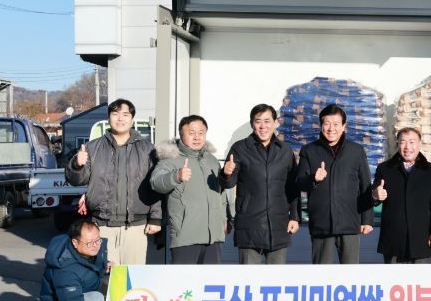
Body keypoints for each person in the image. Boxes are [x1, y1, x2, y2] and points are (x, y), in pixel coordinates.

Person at [65, 99, 161, 265]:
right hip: (102, 226)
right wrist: (76, 165)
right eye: (115, 114)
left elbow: (155, 186)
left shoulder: (148, 149)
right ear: (109, 118)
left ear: (132, 119)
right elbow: (76, 180)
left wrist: (156, 218)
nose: (120, 118)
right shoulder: (92, 147)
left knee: (132, 275)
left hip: (136, 227)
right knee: (105, 274)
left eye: (125, 114)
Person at [223, 104, 300, 264]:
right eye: (258, 121)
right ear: (252, 124)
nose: (263, 126)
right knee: (249, 277)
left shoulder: (285, 151)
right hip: (249, 226)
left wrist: (294, 217)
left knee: (276, 278)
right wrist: (226, 173)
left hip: (278, 226)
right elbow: (228, 183)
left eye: (267, 121)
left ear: (275, 123)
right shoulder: (240, 148)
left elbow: (292, 187)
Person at [296, 104, 374, 263]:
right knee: (322, 273)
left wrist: (367, 219)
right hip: (321, 224)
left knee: (350, 273)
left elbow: (365, 186)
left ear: (344, 126)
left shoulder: (356, 151)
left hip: (350, 223)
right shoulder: (309, 151)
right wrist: (313, 179)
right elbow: (299, 183)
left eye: (336, 124)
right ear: (321, 125)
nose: (331, 129)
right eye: (327, 124)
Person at [151, 115, 233, 264]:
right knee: (184, 279)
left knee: (211, 278)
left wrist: (225, 219)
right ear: (181, 134)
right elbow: (155, 182)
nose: (197, 137)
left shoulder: (211, 160)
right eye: (191, 133)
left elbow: (220, 194)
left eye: (201, 133)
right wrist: (176, 176)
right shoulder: (171, 158)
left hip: (214, 237)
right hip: (186, 236)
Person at [372, 127, 431, 263]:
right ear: (397, 144)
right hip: (393, 238)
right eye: (403, 142)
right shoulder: (385, 169)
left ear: (419, 144)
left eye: (412, 142)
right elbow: (374, 195)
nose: (407, 147)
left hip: (421, 238)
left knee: (421, 276)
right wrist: (376, 195)